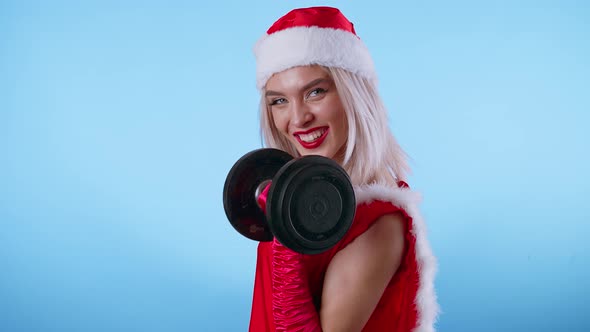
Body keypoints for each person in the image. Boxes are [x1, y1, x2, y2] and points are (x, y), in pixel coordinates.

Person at [248, 6, 439, 332]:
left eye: (315, 92)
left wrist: (285, 248)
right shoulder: (295, 205)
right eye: (279, 100)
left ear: (354, 95)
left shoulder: (378, 223)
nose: (297, 119)